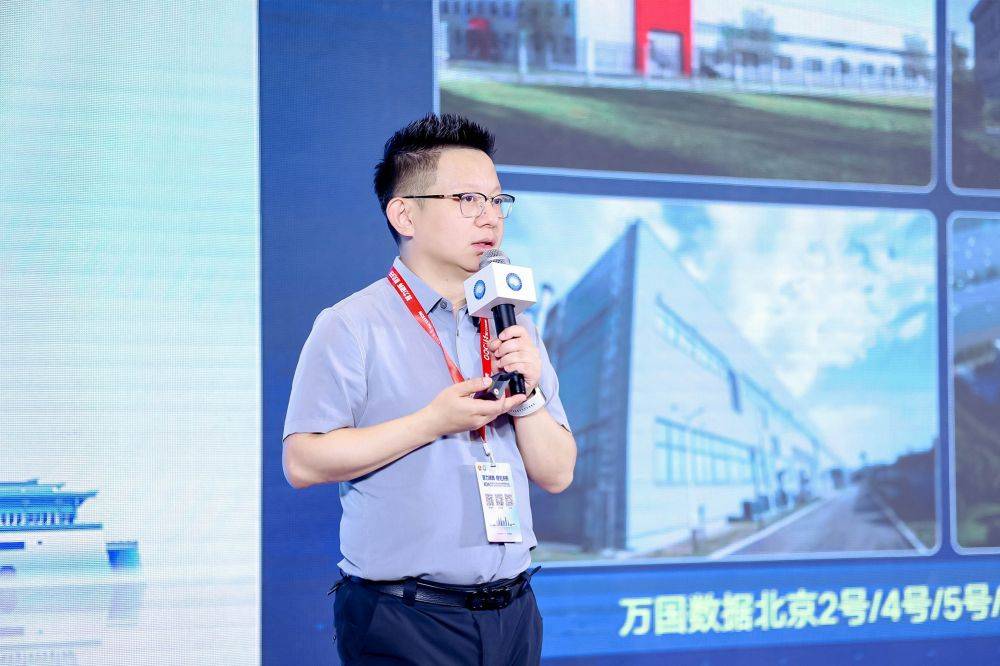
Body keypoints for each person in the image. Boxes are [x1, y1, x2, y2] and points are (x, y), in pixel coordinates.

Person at [282, 113, 577, 665]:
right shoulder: (352, 324)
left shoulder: (513, 325)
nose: (490, 216)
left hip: (513, 612)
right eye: (467, 199)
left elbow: (557, 473)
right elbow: (302, 462)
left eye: (497, 200)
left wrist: (530, 396)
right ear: (404, 214)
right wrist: (432, 422)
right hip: (406, 617)